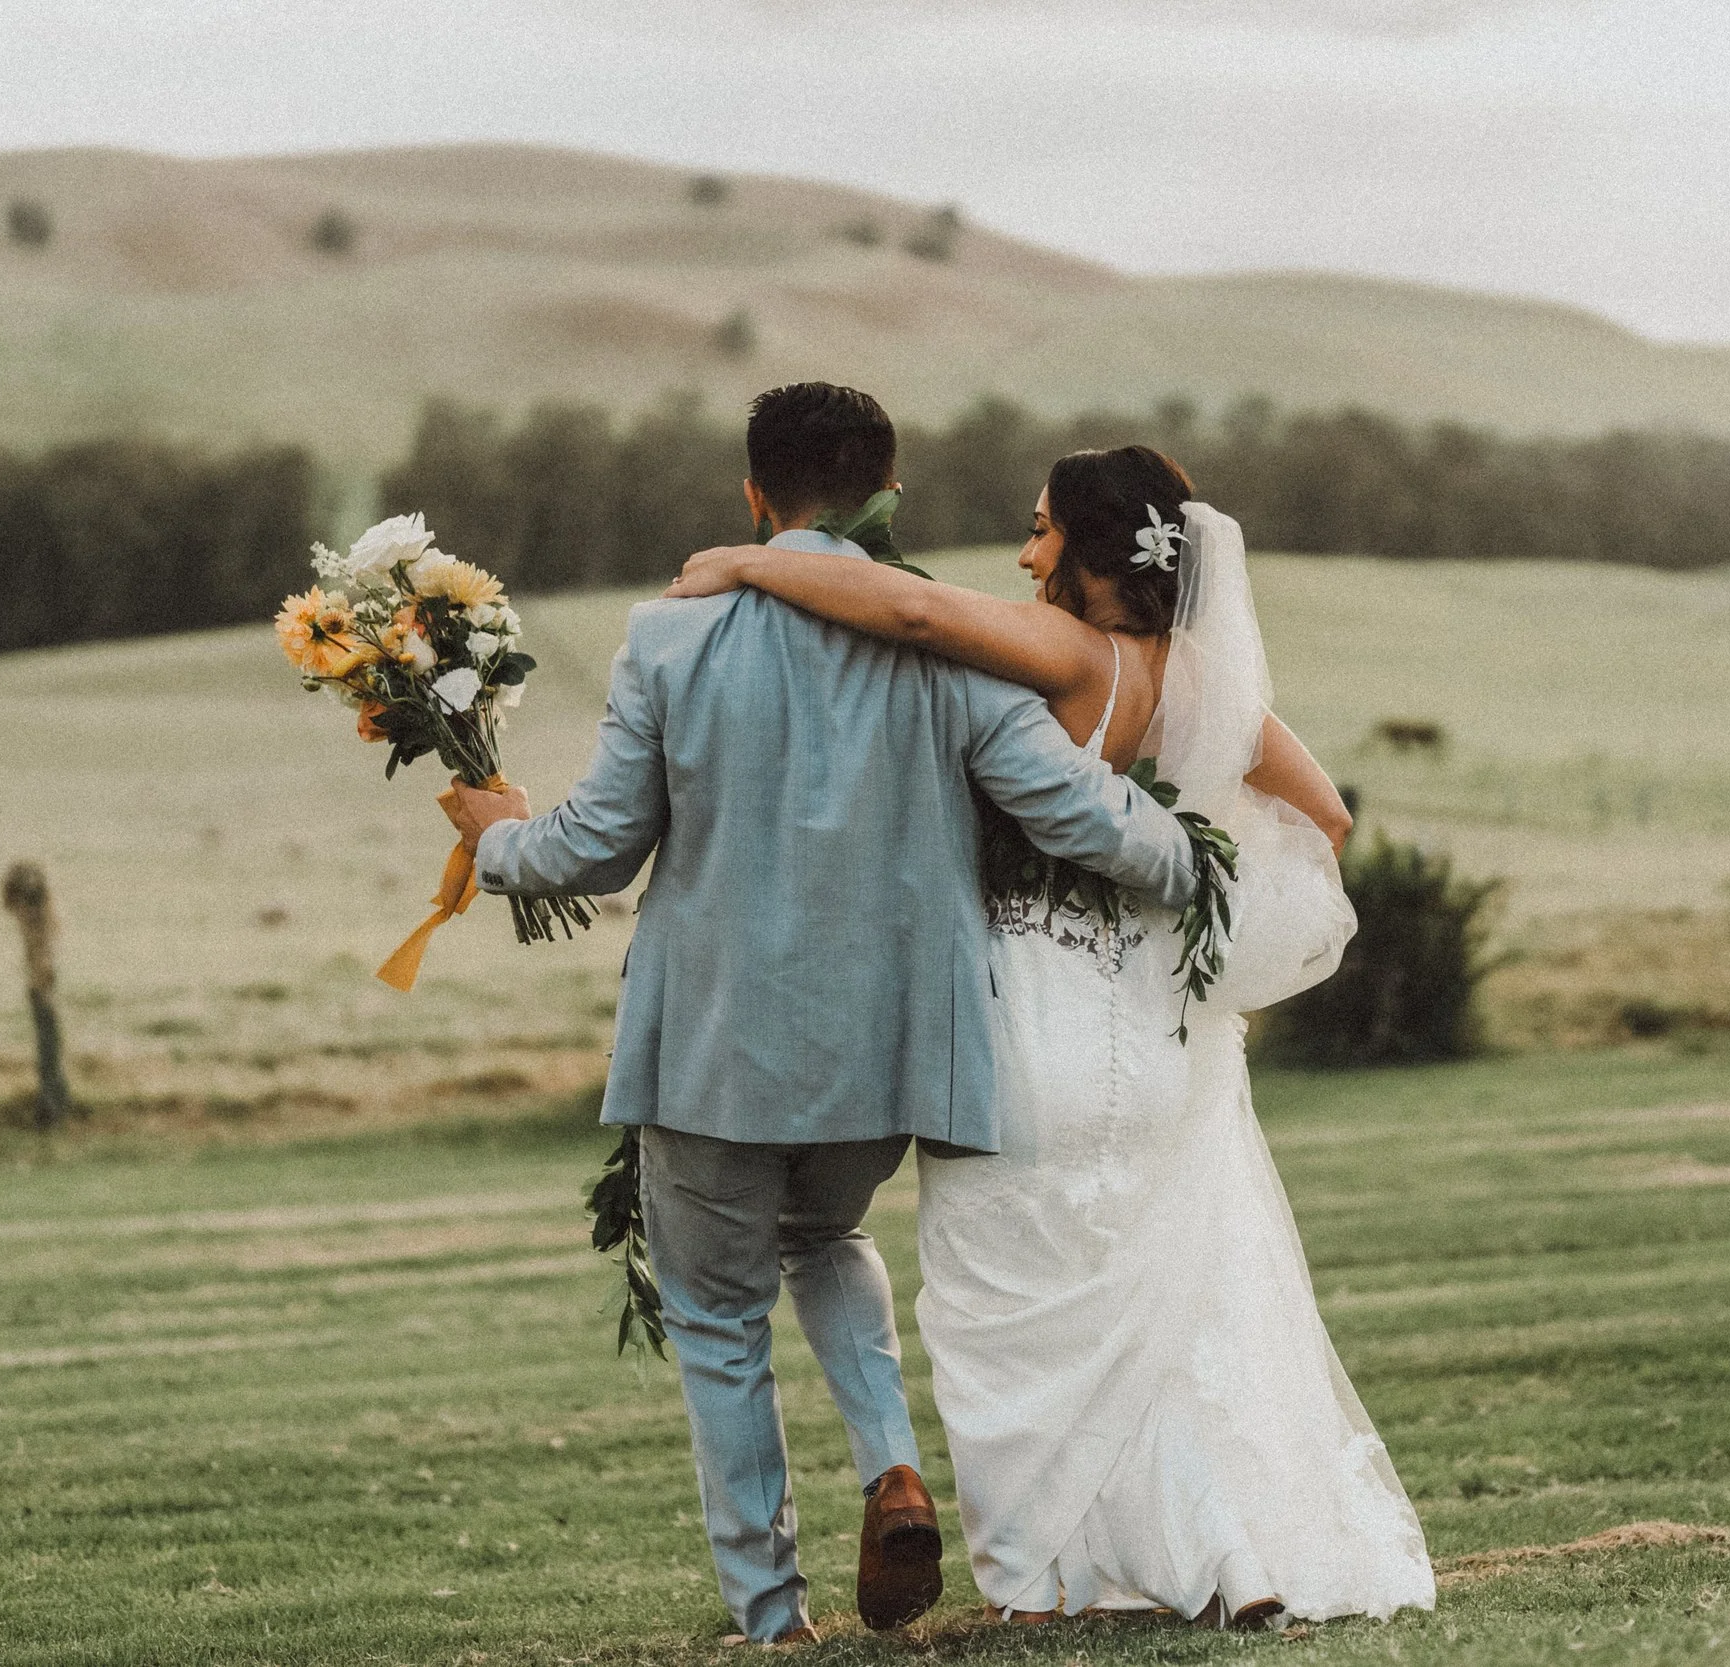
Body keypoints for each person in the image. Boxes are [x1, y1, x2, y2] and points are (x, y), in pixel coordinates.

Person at [436, 386, 1199, 1647]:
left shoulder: (668, 639)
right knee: (826, 1230)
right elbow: (1075, 813)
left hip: (713, 1046)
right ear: (885, 493)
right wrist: (1202, 863)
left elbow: (595, 848)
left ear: (754, 496)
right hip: (890, 1051)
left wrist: (494, 835)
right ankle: (892, 1463)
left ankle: (772, 1614)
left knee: (721, 1315)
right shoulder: (953, 647)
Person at [666, 446, 1436, 1628]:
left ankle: (1045, 1581)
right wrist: (1192, 894)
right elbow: (1325, 817)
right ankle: (1230, 1555)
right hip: (1159, 1033)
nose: (1024, 556)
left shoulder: (1072, 654)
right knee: (1150, 1307)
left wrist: (745, 560)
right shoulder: (1207, 685)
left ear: (1090, 550)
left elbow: (912, 605)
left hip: (1024, 1021)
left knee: (1002, 1300)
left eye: (1039, 533)